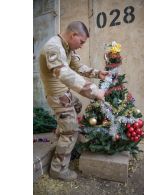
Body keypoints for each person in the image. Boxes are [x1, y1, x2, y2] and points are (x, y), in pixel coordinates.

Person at [39, 21, 108, 181]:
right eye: (81, 42)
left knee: (77, 106)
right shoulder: (54, 47)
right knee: (71, 131)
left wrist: (98, 74)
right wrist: (94, 91)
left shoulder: (68, 47)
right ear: (73, 35)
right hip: (57, 97)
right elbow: (64, 74)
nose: (82, 45)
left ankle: (61, 136)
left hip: (65, 93)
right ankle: (58, 169)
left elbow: (78, 67)